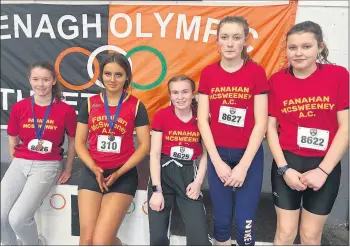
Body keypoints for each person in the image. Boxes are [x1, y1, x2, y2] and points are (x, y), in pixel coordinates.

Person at [267, 21, 349, 245]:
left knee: (310, 236)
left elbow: (345, 127)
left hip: (325, 164)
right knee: (285, 232)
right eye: (292, 47)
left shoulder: (338, 75)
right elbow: (270, 129)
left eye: (306, 46)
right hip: (288, 163)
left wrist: (323, 171)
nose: (299, 53)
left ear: (320, 47)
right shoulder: (277, 81)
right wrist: (284, 169)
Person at [197, 16, 268, 246]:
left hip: (249, 156)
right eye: (225, 38)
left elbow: (261, 122)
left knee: (245, 220)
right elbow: (202, 121)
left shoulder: (256, 73)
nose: (230, 43)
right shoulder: (208, 74)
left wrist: (244, 166)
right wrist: (216, 162)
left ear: (245, 41)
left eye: (236, 38)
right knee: (222, 218)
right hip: (219, 155)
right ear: (217, 41)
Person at [75, 53, 150, 245]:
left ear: (127, 77)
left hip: (122, 175)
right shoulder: (90, 103)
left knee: (101, 241)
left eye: (119, 74)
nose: (112, 79)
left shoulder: (137, 106)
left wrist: (119, 172)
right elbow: (79, 142)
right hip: (93, 173)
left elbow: (144, 146)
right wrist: (94, 168)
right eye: (108, 74)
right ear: (101, 76)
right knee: (87, 240)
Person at [1, 61, 77, 245]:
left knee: (18, 218)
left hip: (47, 164)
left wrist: (67, 169)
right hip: (20, 162)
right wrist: (16, 161)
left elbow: (73, 141)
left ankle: (33, 244)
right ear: (29, 80)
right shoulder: (20, 107)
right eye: (36, 79)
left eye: (45, 79)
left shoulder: (65, 110)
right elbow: (13, 137)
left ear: (53, 81)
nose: (40, 84)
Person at [148, 75, 211, 246]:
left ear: (193, 94)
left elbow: (207, 154)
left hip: (189, 176)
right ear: (170, 95)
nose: (180, 97)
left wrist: (198, 183)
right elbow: (154, 154)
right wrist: (156, 190)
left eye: (185, 92)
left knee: (199, 240)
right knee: (157, 239)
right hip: (163, 175)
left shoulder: (201, 118)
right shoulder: (161, 116)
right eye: (175, 93)